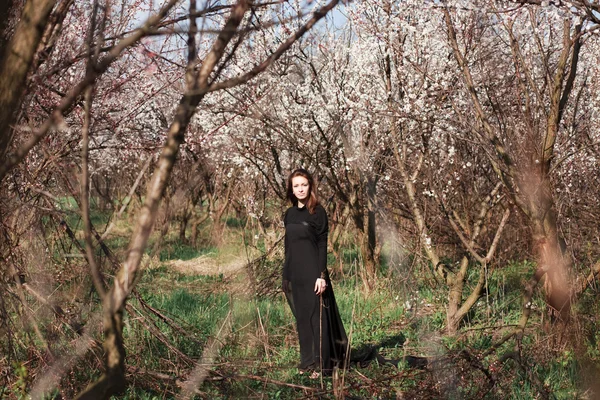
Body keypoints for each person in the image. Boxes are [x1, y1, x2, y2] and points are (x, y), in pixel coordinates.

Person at [282, 168, 348, 378]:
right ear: (291, 189)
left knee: (317, 320)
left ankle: (321, 366)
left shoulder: (317, 212)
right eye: (296, 186)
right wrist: (286, 274)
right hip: (296, 274)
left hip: (313, 273)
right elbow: (288, 246)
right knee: (302, 319)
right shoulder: (290, 213)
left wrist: (321, 275)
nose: (300, 189)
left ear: (310, 186)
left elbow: (322, 244)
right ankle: (307, 362)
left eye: (304, 185)